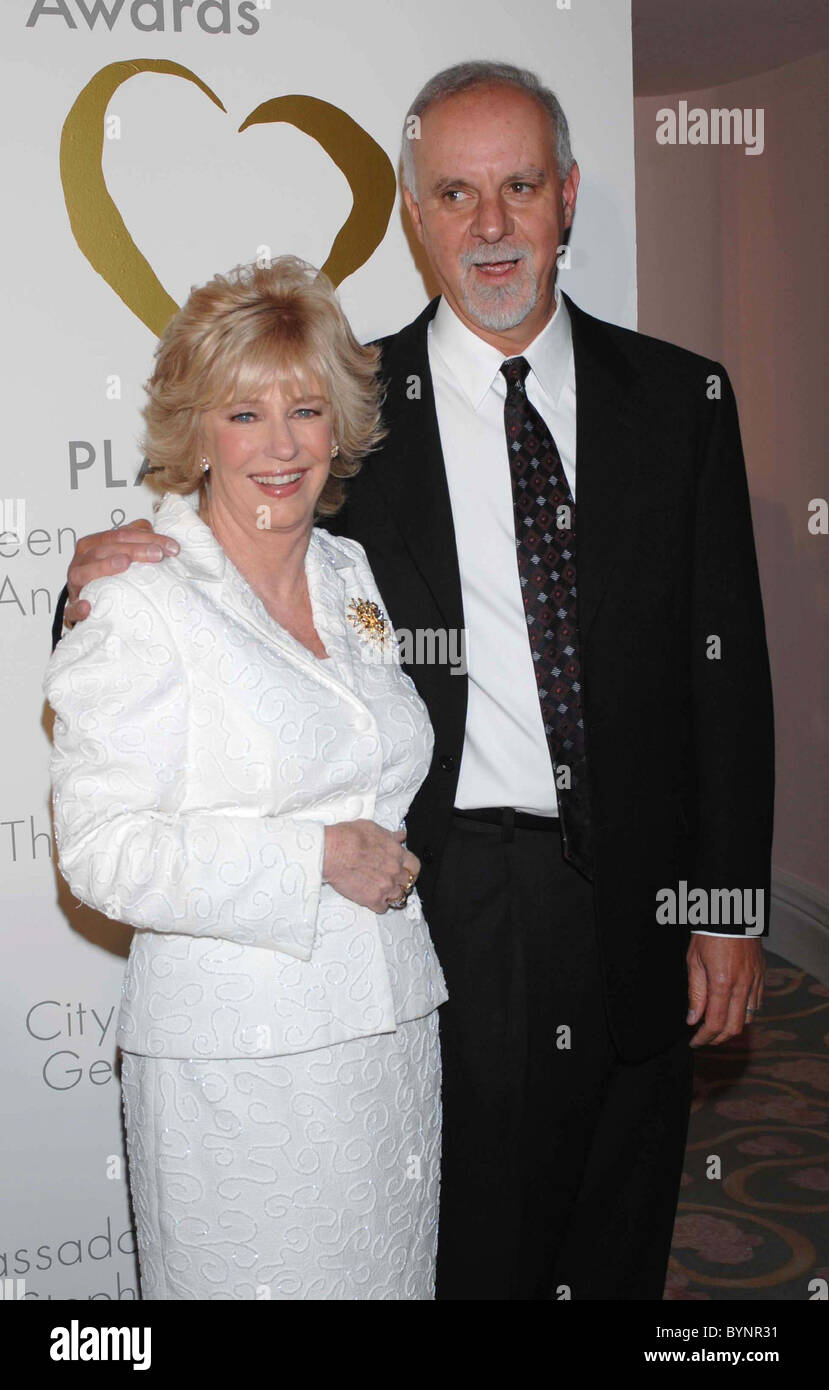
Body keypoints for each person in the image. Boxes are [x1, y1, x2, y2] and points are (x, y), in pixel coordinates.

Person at [52, 61, 775, 1301]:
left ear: (566, 197)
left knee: (621, 1222)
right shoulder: (350, 409)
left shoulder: (678, 397)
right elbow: (207, 577)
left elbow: (728, 673)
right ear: (412, 213)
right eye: (454, 193)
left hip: (643, 886)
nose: (490, 226)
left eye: (518, 188)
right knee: (469, 1242)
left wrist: (724, 901)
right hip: (451, 900)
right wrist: (77, 587)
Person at [44, 255, 448, 1301]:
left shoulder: (349, 572)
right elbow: (102, 851)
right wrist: (312, 856)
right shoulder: (139, 598)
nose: (281, 445)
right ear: (196, 431)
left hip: (388, 1037)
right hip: (239, 1069)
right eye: (244, 414)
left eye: (306, 410)